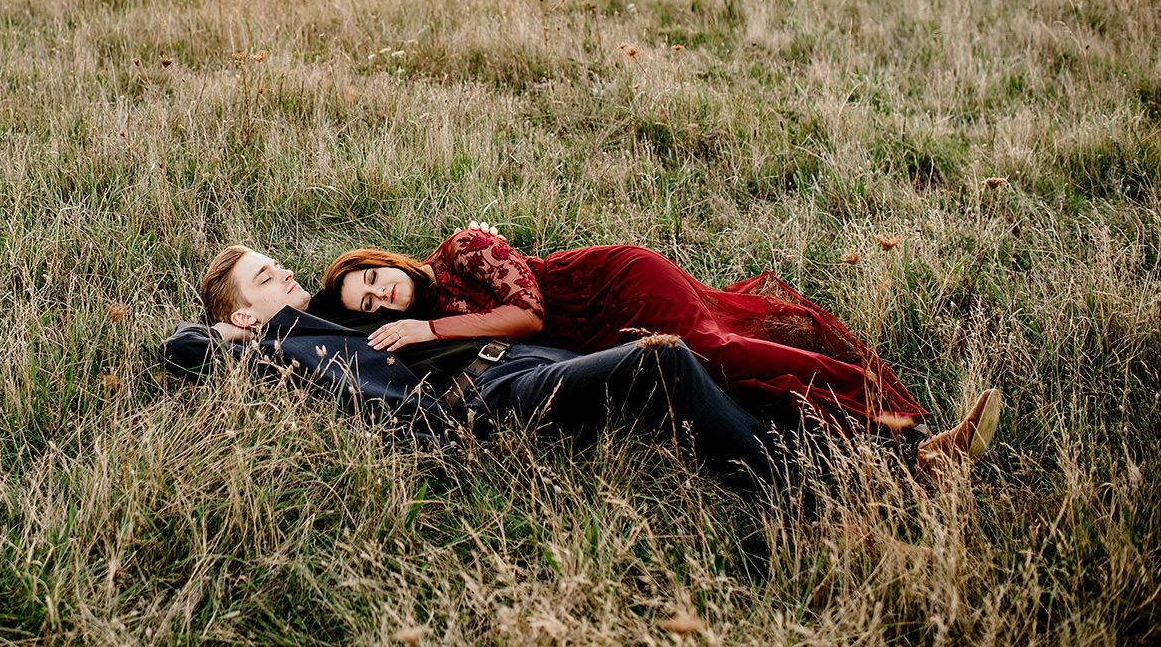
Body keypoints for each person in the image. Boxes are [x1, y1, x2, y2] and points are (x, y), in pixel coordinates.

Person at [158, 245, 1001, 491]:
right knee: (660, 365)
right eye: (266, 279)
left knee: (705, 374)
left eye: (280, 266)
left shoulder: (337, 311)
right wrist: (232, 342)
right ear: (239, 311)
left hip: (534, 351)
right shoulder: (277, 348)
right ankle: (825, 490)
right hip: (491, 393)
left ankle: (909, 455)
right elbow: (177, 346)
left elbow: (412, 289)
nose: (288, 278)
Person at [320, 227, 931, 436]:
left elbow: (529, 315)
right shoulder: (437, 305)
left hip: (616, 285)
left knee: (717, 350)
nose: (383, 293)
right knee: (723, 380)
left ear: (387, 260)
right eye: (371, 303)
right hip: (599, 334)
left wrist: (427, 327)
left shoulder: (461, 249)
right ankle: (862, 435)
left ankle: (887, 407)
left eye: (375, 276)